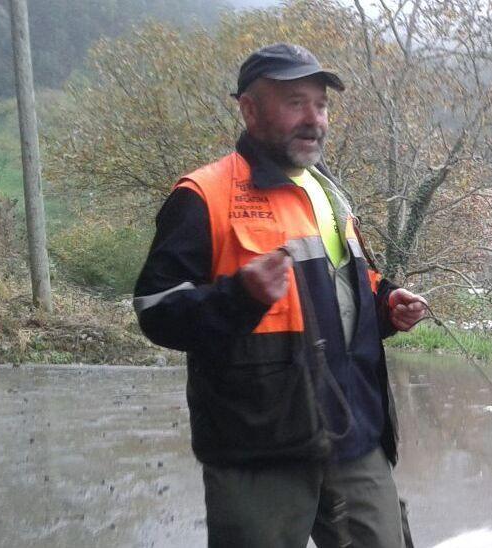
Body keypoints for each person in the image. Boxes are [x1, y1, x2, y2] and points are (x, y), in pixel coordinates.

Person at [133, 43, 425, 548]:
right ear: (249, 109)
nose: (315, 119)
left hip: (353, 432)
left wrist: (388, 304)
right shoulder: (203, 194)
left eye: (321, 104)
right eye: (295, 102)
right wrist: (238, 297)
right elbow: (155, 310)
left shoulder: (329, 191)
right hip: (257, 449)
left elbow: (350, 283)